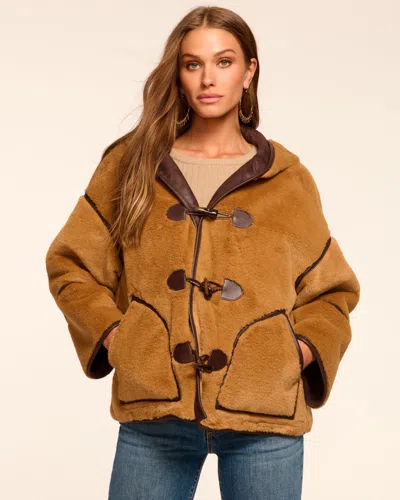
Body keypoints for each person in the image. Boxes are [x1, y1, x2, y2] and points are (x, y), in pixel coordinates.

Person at [45, 6, 361, 500]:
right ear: (178, 73)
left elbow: (332, 292)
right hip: (156, 411)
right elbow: (71, 264)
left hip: (264, 413)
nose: (208, 79)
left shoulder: (288, 180)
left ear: (249, 71)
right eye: (193, 64)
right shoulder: (131, 165)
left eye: (224, 62)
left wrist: (293, 351)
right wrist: (118, 337)